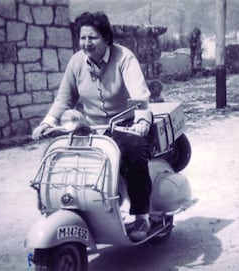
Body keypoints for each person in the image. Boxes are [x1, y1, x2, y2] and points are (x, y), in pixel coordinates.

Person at [32, 11, 153, 242]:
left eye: (92, 38)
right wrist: (48, 122)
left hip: (125, 124)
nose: (86, 43)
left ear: (106, 38)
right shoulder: (77, 61)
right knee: (64, 158)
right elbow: (64, 99)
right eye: (83, 38)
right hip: (92, 127)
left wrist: (142, 121)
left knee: (134, 155)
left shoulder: (124, 57)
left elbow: (139, 94)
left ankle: (141, 216)